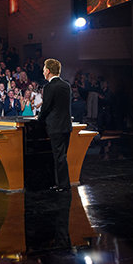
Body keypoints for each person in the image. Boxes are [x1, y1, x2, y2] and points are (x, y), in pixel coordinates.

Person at [38, 58, 73, 191]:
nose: (43, 72)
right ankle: (61, 183)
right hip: (66, 125)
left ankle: (63, 185)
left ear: (48, 71)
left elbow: (46, 107)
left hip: (55, 126)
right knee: (62, 156)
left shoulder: (49, 87)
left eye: (43, 70)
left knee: (59, 157)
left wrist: (39, 119)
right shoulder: (66, 85)